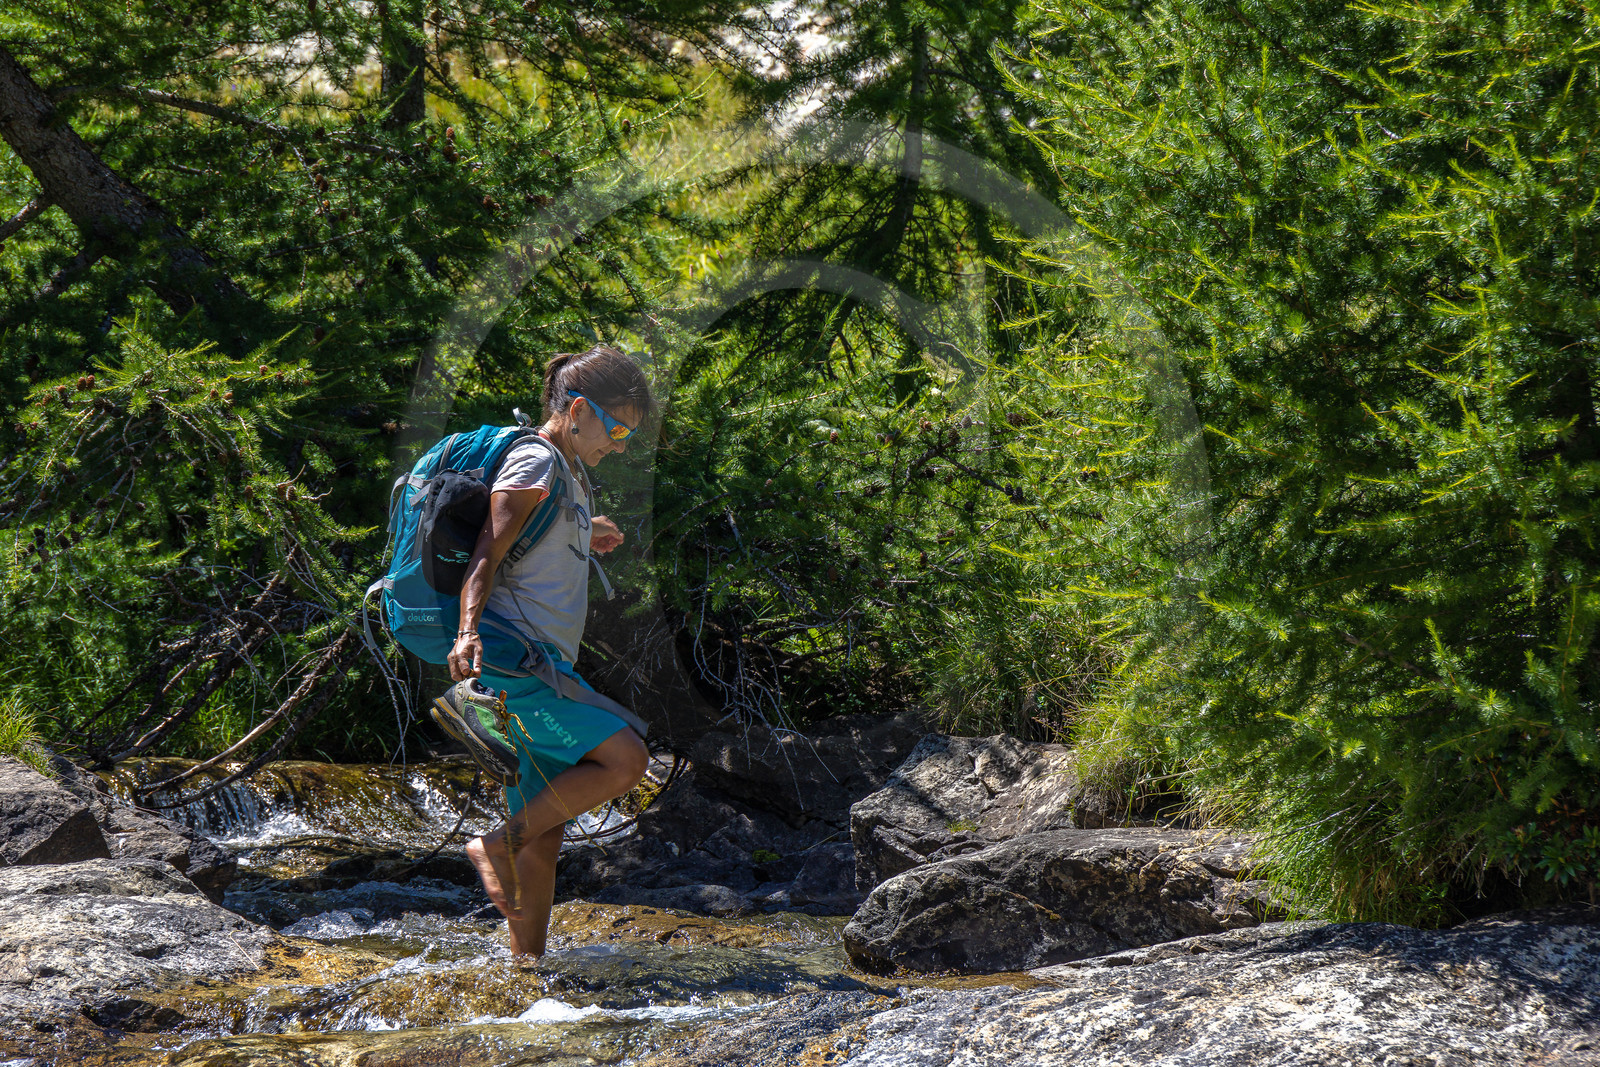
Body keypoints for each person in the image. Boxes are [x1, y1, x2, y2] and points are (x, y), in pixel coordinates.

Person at [438, 342, 656, 956]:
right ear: (578, 409)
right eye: (615, 428)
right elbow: (489, 549)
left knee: (547, 827)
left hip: (542, 661)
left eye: (629, 434)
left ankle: (526, 975)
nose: (619, 443)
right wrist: (468, 631)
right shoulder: (535, 459)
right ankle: (492, 845)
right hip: (512, 657)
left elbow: (536, 549)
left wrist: (590, 531)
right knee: (626, 759)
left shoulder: (568, 475)